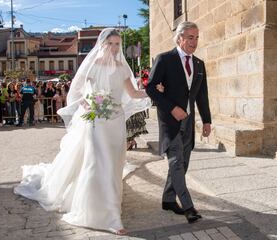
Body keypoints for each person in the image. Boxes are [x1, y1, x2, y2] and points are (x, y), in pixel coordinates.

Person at [14, 28, 151, 235]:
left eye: (117, 44)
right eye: (110, 44)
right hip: (96, 121)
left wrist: (152, 90)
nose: (114, 48)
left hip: (115, 121)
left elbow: (132, 93)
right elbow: (78, 92)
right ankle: (108, 216)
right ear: (102, 44)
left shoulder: (123, 67)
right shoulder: (93, 66)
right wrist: (88, 104)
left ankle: (111, 205)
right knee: (96, 163)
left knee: (113, 164)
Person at [146, 21, 211, 224]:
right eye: (190, 37)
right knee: (176, 162)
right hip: (170, 121)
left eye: (197, 37)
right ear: (180, 38)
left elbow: (202, 96)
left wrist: (207, 121)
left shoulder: (199, 64)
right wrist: (172, 108)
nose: (194, 42)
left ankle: (167, 199)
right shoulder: (165, 59)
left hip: (189, 123)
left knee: (183, 164)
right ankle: (188, 206)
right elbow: (151, 88)